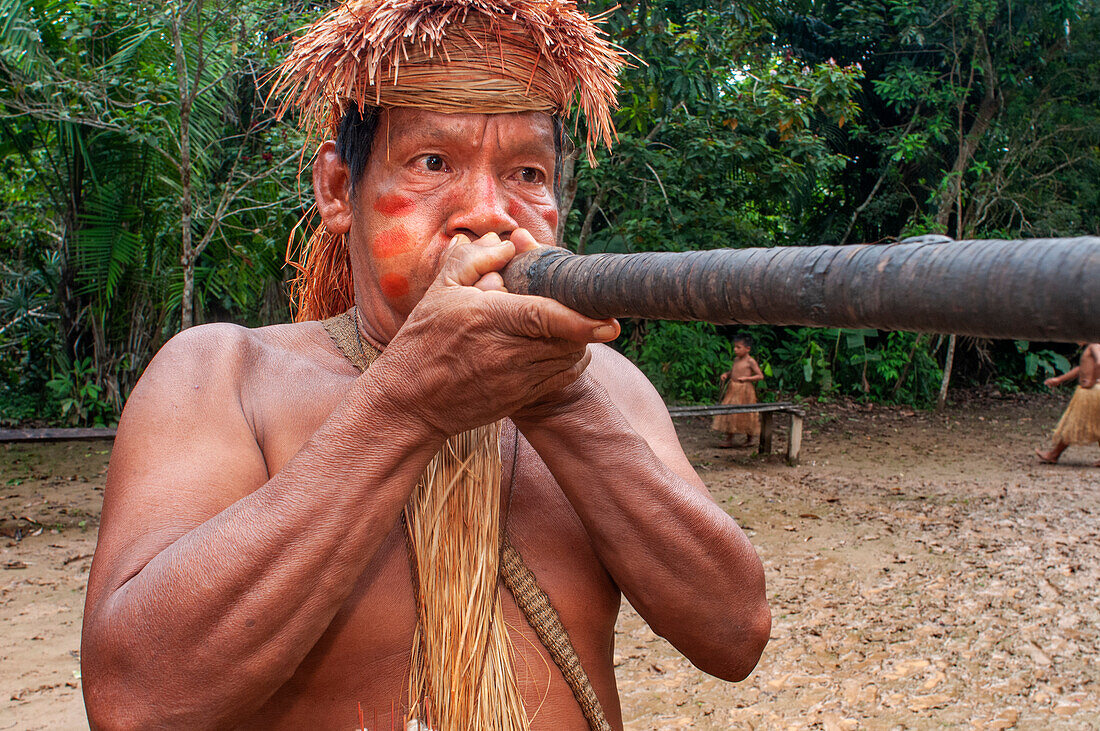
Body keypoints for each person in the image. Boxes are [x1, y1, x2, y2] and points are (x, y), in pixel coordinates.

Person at [79, 1, 770, 728]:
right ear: (340, 190)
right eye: (432, 162)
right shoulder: (224, 375)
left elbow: (734, 634)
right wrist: (404, 406)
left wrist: (561, 401)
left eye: (527, 172)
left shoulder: (609, 388)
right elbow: (134, 701)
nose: (488, 212)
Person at [1036, 342, 1100, 466]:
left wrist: (1092, 380)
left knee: (1074, 423)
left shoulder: (1095, 345)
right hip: (1091, 390)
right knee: (1095, 424)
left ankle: (1053, 454)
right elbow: (1081, 369)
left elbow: (1099, 363)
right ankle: (1053, 454)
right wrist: (1059, 380)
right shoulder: (1091, 346)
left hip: (1091, 391)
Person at [712, 334, 765, 448]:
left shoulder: (750, 361)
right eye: (735, 347)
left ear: (747, 349)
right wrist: (726, 374)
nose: (735, 350)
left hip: (745, 390)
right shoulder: (736, 359)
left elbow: (760, 376)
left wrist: (747, 379)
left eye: (738, 347)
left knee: (746, 413)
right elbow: (733, 371)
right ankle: (729, 438)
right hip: (733, 389)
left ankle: (750, 438)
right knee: (731, 412)